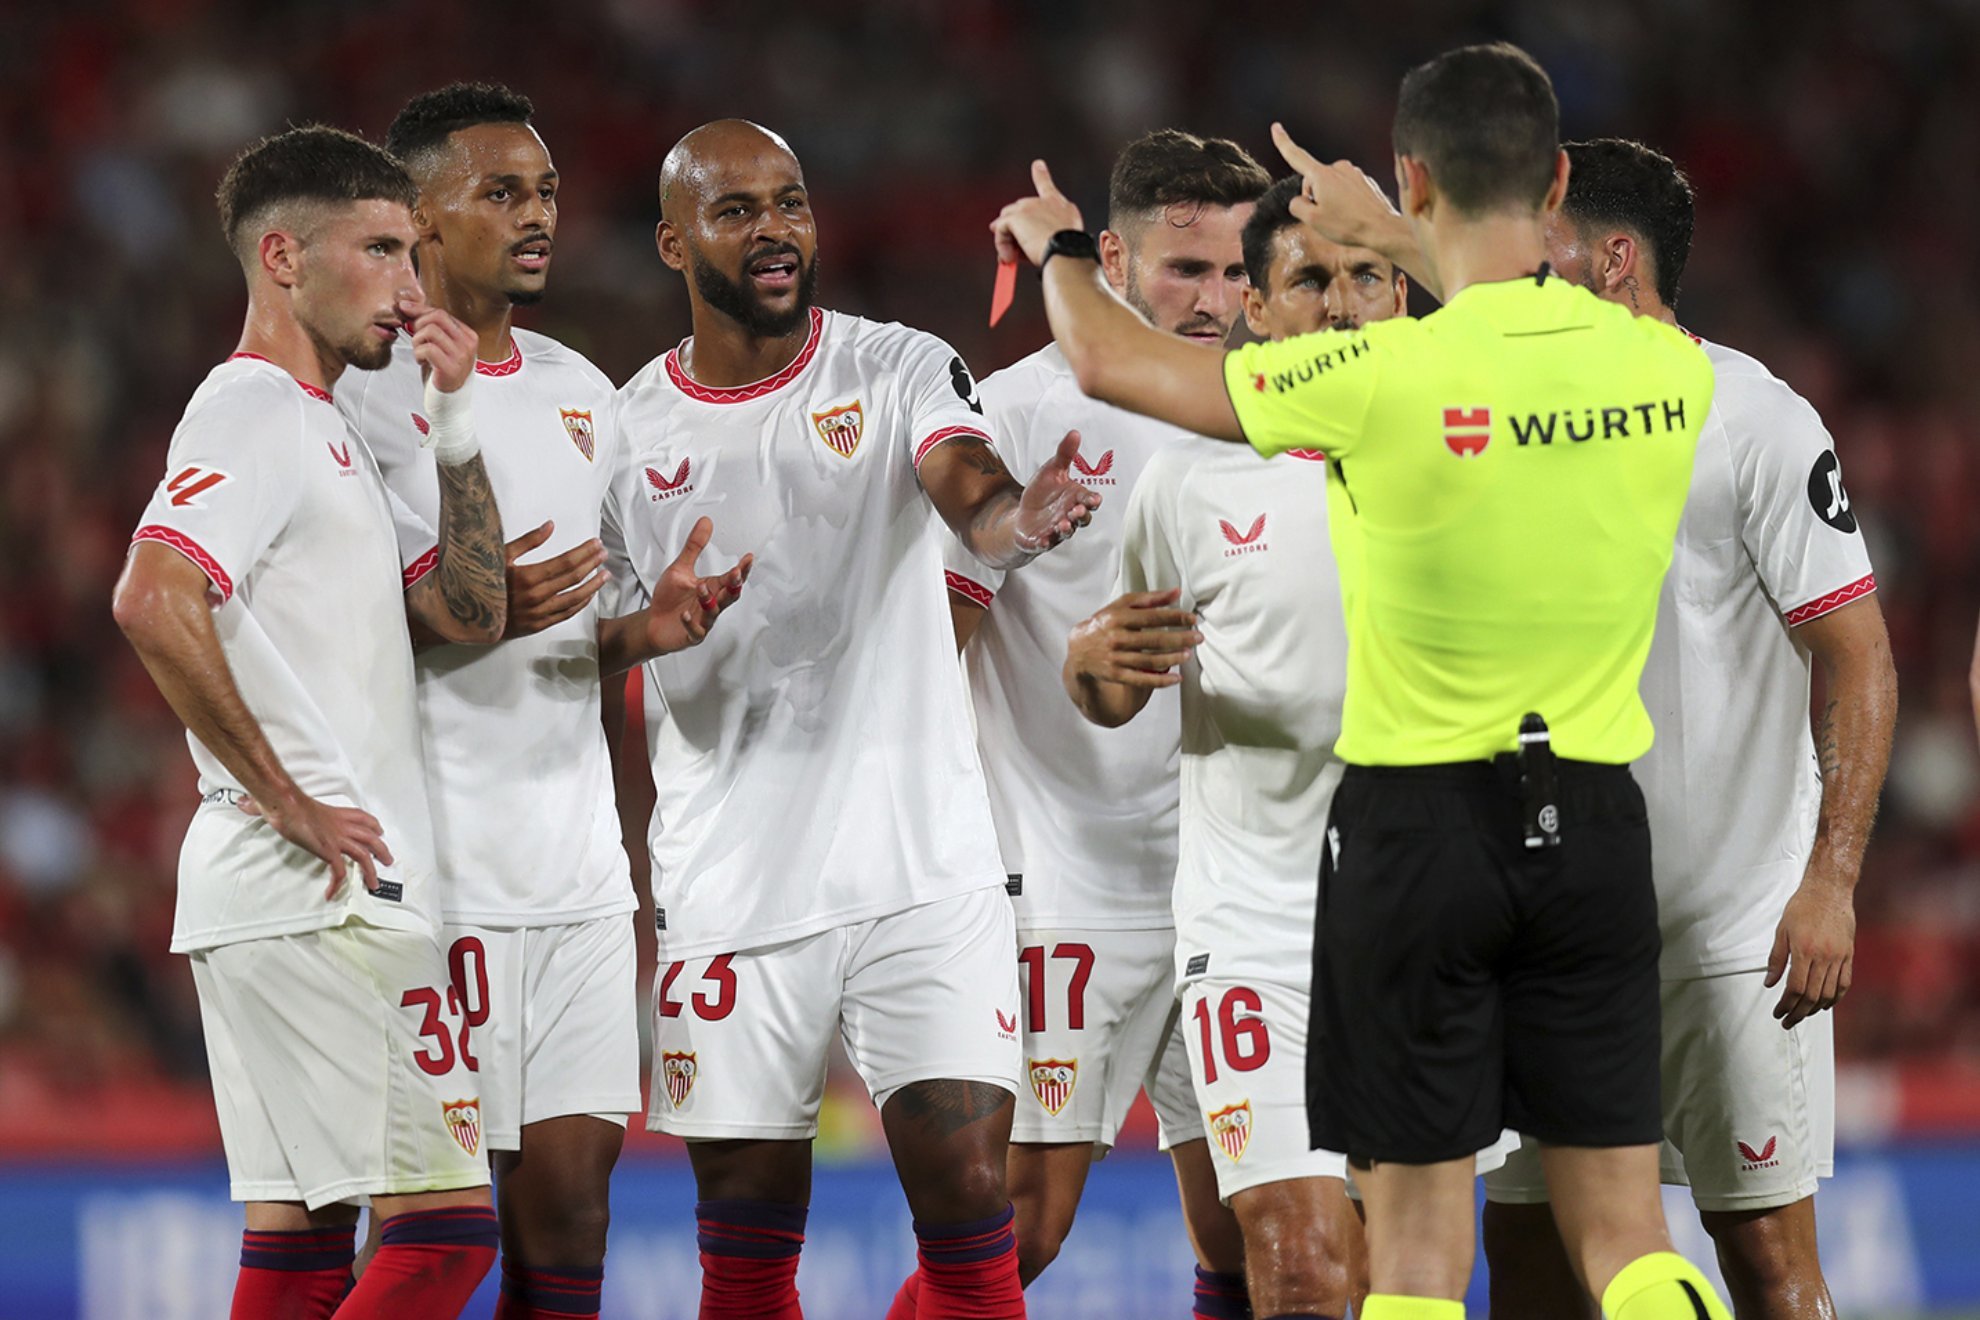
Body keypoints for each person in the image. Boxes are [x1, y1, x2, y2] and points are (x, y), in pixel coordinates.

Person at [991, 42, 1735, 1320]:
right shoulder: (1665, 370)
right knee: (1627, 1239)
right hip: (1598, 830)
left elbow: (1111, 365)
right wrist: (1406, 222)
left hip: (1415, 835)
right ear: (1559, 179)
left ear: (1413, 185)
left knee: (1419, 1263)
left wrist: (1066, 244)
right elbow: (1513, 320)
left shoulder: (1373, 386)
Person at [607, 119, 1100, 1320]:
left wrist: (1018, 522)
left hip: (921, 867)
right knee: (747, 1254)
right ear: (675, 242)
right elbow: (592, 651)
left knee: (974, 1199)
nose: (775, 228)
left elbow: (970, 492)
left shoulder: (895, 366)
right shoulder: (622, 434)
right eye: (737, 210)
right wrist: (644, 634)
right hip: (731, 885)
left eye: (792, 201)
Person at [338, 83, 748, 1320]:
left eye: (548, 191)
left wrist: (647, 627)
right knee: (433, 1237)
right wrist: (463, 609)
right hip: (436, 872)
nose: (538, 216)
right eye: (501, 192)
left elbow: (573, 631)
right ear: (418, 215)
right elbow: (341, 631)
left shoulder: (584, 393)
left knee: (570, 1223)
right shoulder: (363, 393)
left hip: (573, 881)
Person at [1479, 137, 1897, 1320]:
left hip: (1726, 930)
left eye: (1543, 256)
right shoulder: (1499, 415)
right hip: (1544, 926)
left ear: (1615, 261)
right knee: (1531, 1269)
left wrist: (1834, 880)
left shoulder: (1753, 418)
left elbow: (1858, 655)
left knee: (1769, 1268)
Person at [111, 125, 512, 1318]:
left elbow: (467, 612)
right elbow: (152, 593)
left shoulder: (325, 426)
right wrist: (289, 798)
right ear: (282, 258)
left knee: (300, 1246)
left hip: (277, 899)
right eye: (382, 248)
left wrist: (454, 419)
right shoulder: (255, 409)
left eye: (414, 252)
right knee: (446, 1235)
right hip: (322, 895)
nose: (410, 284)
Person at [1063, 172, 1404, 1319]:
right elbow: (1124, 680)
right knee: (1300, 1264)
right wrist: (1091, 672)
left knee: (1400, 1268)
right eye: (1311, 279)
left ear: (1408, 294)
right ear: (1255, 310)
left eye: (1369, 275)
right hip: (1255, 914)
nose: (1343, 305)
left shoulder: (1468, 451)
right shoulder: (1186, 482)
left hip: (1430, 909)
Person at [941, 128, 1269, 1307]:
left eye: (1239, 270)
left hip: (1236, 888)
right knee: (1020, 1229)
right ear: (1114, 259)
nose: (1217, 298)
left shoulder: (1272, 408)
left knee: (1261, 1232)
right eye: (1188, 269)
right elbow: (943, 634)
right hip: (1068, 881)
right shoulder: (1022, 412)